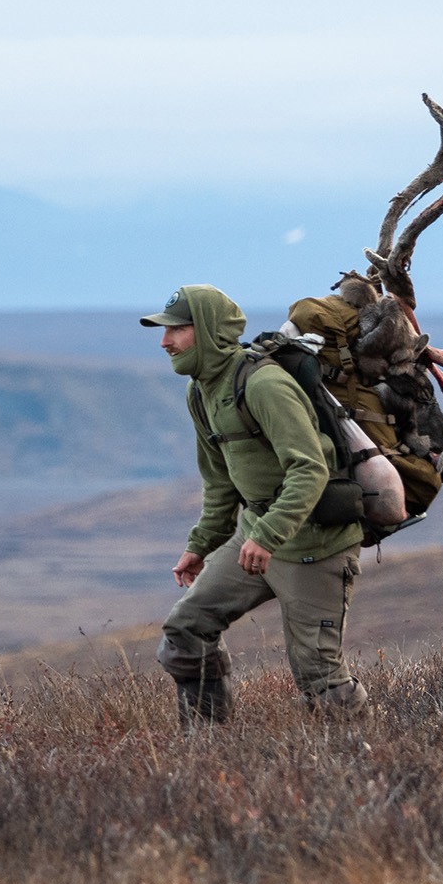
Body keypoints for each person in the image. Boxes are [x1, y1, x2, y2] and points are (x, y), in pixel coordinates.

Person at [144, 283, 363, 724]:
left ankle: (360, 775)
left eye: (178, 330)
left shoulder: (264, 384)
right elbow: (221, 483)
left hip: (313, 543)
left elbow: (310, 468)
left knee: (320, 678)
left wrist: (266, 534)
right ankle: (206, 750)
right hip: (257, 535)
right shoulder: (202, 392)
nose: (165, 342)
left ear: (207, 331)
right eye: (165, 331)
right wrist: (201, 544)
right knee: (186, 632)